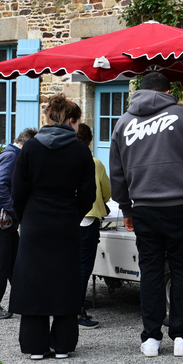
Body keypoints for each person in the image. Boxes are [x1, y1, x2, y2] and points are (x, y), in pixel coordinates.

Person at [110, 72, 183, 358]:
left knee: (151, 272)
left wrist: (126, 208)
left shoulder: (123, 123)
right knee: (182, 270)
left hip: (143, 208)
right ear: (166, 90)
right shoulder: (182, 117)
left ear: (140, 91)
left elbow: (117, 172)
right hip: (181, 206)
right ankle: (182, 337)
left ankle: (150, 339)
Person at [9, 94, 96, 360]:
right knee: (65, 279)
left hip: (35, 219)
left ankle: (35, 346)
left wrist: (28, 216)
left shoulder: (31, 148)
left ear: (47, 118)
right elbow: (88, 194)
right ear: (73, 121)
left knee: (34, 279)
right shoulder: (81, 151)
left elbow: (18, 190)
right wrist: (73, 212)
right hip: (66, 219)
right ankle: (63, 345)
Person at [0, 128, 37, 320]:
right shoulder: (12, 156)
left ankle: (24, 300)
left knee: (14, 261)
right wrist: (14, 210)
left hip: (1, 218)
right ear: (26, 145)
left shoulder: (10, 154)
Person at [75, 123, 111, 330]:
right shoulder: (94, 162)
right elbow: (106, 192)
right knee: (82, 268)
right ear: (89, 141)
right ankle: (78, 311)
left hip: (66, 220)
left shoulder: (62, 161)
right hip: (87, 219)